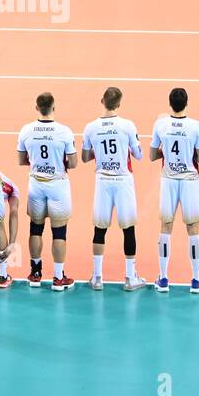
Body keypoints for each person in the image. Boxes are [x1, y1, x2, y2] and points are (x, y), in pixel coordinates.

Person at [82, 87, 147, 290]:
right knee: (128, 228)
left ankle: (97, 278)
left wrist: (99, 153)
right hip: (123, 181)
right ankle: (130, 278)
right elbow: (138, 155)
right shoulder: (127, 126)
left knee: (99, 229)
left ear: (102, 100)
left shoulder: (90, 127)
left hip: (103, 180)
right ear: (119, 104)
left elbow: (85, 157)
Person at [16, 92, 78, 291]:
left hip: (36, 183)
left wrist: (37, 164)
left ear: (36, 108)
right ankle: (58, 277)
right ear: (54, 107)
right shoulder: (64, 131)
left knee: (36, 227)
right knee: (59, 231)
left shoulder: (26, 130)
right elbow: (74, 163)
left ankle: (35, 273)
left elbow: (21, 160)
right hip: (57, 184)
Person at [150, 87, 199, 294]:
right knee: (193, 228)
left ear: (169, 103)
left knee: (166, 226)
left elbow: (152, 156)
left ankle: (163, 278)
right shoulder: (196, 127)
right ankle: (195, 279)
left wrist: (166, 147)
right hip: (190, 180)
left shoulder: (160, 124)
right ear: (187, 103)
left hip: (168, 179)